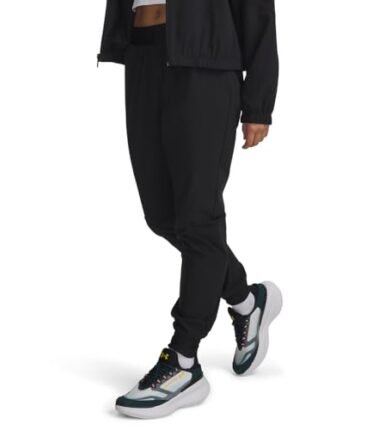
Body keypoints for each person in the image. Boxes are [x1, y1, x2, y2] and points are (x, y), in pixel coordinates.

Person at [97, 0, 283, 418]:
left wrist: (258, 102)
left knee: (198, 218)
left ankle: (183, 361)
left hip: (206, 61)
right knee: (163, 216)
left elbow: (257, 10)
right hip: (143, 52)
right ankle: (246, 301)